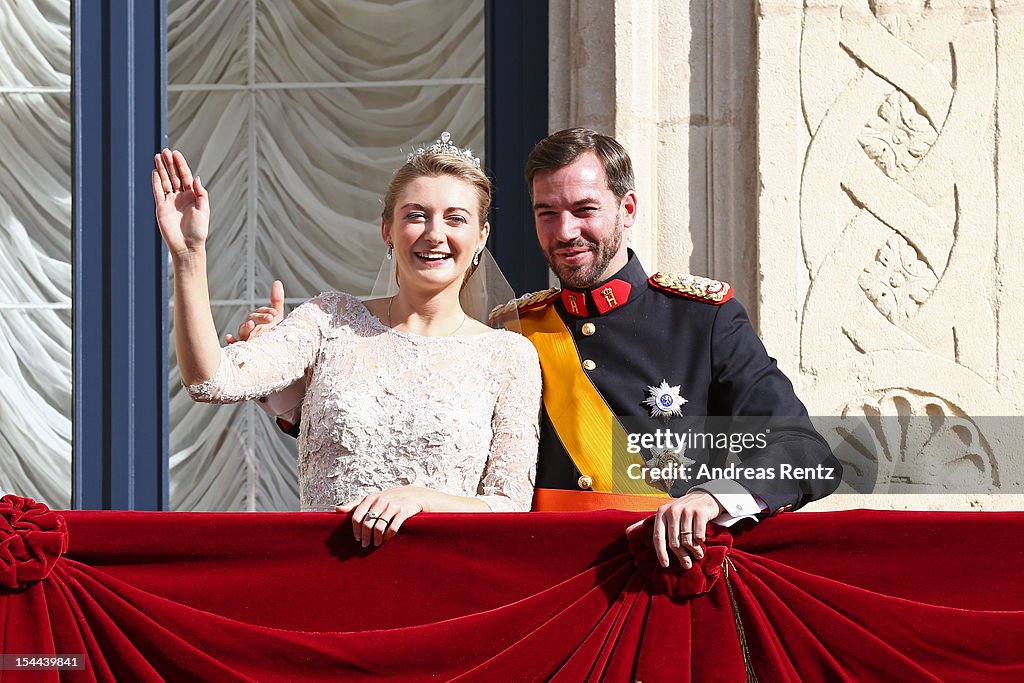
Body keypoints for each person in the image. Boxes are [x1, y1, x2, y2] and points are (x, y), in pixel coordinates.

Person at [238, 128, 842, 569]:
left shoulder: (701, 321)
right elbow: (417, 416)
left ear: (626, 210)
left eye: (584, 211)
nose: (565, 232)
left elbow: (805, 452)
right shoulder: (511, 329)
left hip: (662, 579)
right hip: (540, 587)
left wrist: (714, 500)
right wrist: (284, 389)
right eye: (546, 214)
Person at [152, 134, 542, 548]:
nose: (434, 233)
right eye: (416, 215)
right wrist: (189, 256)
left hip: (441, 584)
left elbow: (509, 504)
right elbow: (210, 381)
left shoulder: (509, 356)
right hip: (325, 578)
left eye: (455, 218)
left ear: (481, 235)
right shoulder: (330, 318)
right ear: (387, 230)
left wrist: (422, 500)